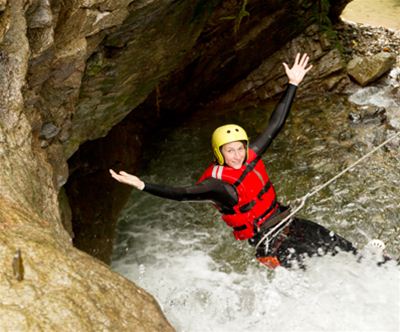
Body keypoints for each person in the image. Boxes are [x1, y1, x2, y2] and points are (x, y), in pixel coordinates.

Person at [110, 53, 356, 269]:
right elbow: (182, 193)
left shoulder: (251, 157)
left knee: (337, 243)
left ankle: (375, 262)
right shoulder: (219, 187)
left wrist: (293, 83)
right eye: (230, 151)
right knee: (317, 263)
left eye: (240, 149)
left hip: (285, 222)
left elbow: (275, 124)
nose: (237, 155)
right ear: (220, 154)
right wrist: (142, 184)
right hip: (269, 243)